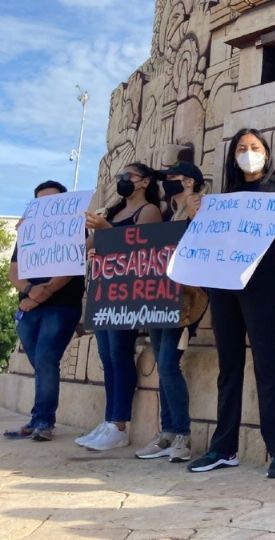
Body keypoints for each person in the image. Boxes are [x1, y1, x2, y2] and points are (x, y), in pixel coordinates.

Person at [187, 128, 275, 479]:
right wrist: (197, 216)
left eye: (255, 147)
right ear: (233, 156)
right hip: (225, 282)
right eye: (242, 148)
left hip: (262, 281)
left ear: (266, 154)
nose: (249, 152)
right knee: (229, 365)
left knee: (266, 361)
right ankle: (224, 447)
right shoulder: (225, 196)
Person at [77, 164, 164, 451]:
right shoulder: (114, 211)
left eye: (129, 177)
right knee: (107, 356)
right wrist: (94, 235)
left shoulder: (149, 210)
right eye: (120, 177)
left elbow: (142, 247)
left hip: (126, 293)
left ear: (144, 182)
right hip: (103, 290)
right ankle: (109, 419)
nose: (123, 181)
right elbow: (90, 244)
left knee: (120, 353)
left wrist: (107, 230)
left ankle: (119, 423)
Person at [3, 181, 85, 442]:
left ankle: (43, 421)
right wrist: (29, 292)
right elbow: (13, 271)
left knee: (47, 360)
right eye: (41, 201)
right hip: (28, 307)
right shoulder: (27, 233)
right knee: (40, 364)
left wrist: (43, 293)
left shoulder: (75, 229)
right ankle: (38, 417)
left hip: (60, 307)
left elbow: (72, 267)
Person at [135, 162, 206, 463]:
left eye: (173, 178)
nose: (168, 183)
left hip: (185, 299)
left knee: (168, 364)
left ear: (189, 181)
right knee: (163, 366)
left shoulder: (200, 209)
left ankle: (182, 434)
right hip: (159, 297)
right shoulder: (167, 214)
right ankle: (167, 432)